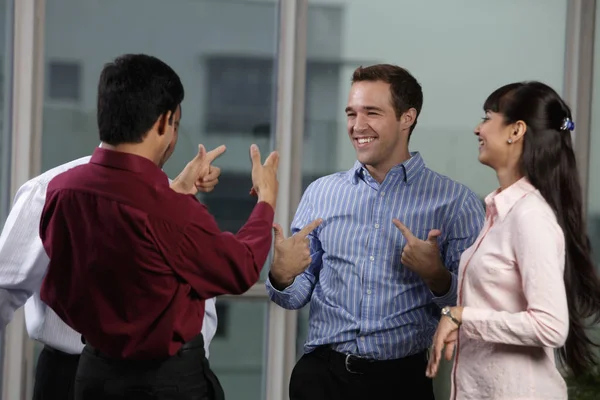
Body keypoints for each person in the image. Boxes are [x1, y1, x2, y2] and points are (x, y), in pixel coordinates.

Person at [38, 53, 282, 400]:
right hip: (164, 382)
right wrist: (266, 201)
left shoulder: (60, 190)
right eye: (177, 124)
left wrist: (177, 189)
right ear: (164, 122)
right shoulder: (170, 210)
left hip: (91, 375)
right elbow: (240, 267)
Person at [266, 64, 485, 400]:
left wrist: (437, 276)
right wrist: (281, 277)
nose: (357, 125)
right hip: (320, 379)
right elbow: (295, 296)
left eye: (372, 112)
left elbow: (475, 307)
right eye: (351, 113)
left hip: (401, 382)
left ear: (407, 118)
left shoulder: (455, 203)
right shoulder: (321, 193)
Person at [0, 135, 221, 400]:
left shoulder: (180, 202)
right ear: (167, 129)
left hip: (166, 377)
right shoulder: (47, 191)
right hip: (69, 376)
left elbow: (202, 309)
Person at [426, 81, 600, 400]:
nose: (478, 129)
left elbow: (550, 325)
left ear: (516, 130)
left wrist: (461, 316)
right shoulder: (501, 213)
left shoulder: (530, 216)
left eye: (488, 117)